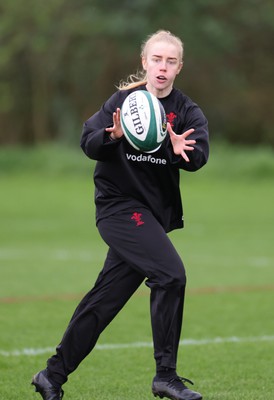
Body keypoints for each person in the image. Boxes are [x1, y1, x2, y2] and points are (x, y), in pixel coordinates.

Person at [31, 30, 209, 400]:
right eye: (156, 59)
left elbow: (199, 157)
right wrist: (112, 136)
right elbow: (88, 142)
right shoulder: (123, 101)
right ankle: (165, 376)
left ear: (179, 67)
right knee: (171, 275)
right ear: (144, 62)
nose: (162, 67)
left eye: (170, 61)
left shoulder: (187, 110)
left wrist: (179, 149)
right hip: (117, 209)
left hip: (151, 217)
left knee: (104, 300)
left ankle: (52, 375)